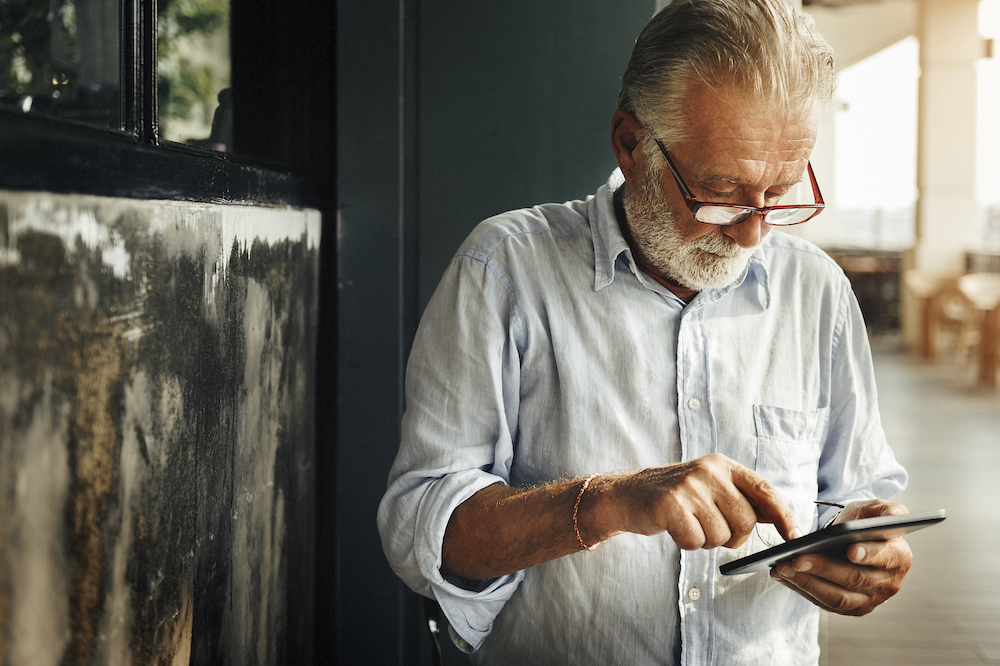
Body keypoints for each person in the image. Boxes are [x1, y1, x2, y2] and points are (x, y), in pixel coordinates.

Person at [377, 1, 911, 663]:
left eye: (780, 192)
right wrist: (609, 501)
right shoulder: (505, 268)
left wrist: (862, 548)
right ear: (631, 145)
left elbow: (849, 496)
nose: (754, 231)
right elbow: (420, 530)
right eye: (722, 191)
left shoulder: (816, 289)